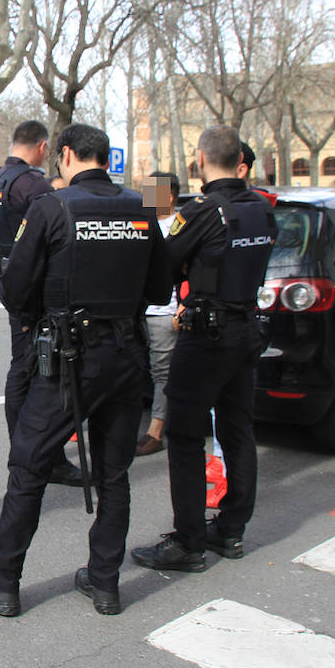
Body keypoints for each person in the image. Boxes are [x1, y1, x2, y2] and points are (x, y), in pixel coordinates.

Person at [0, 123, 171, 617]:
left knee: (28, 466)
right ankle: (105, 583)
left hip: (69, 361)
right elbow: (161, 288)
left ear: (68, 155)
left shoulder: (52, 208)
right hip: (125, 355)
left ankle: (2, 582)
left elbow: (13, 291)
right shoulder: (141, 207)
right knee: (114, 474)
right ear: (106, 158)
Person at [131, 124, 277, 574]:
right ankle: (231, 528)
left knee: (186, 435)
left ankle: (188, 541)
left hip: (207, 335)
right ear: (241, 162)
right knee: (237, 431)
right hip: (246, 330)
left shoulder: (201, 212)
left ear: (199, 159)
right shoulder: (261, 209)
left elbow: (163, 262)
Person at [0, 120, 85, 488]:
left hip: (9, 276)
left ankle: (29, 449)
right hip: (36, 286)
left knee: (21, 366)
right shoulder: (33, 184)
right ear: (43, 147)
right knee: (39, 370)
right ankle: (43, 454)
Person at [134, 171, 180, 457]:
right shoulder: (141, 223)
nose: (145, 199)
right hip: (139, 310)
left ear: (170, 196)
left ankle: (156, 431)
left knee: (162, 371)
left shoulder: (182, 225)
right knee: (138, 370)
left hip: (166, 311)